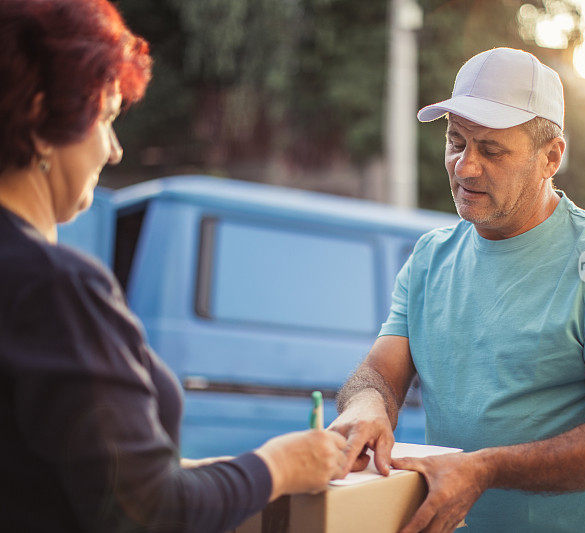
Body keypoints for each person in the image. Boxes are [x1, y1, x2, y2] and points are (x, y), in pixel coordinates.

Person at [0, 1, 348, 531]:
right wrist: (279, 465)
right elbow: (151, 512)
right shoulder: (53, 286)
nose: (114, 151)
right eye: (108, 118)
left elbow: (68, 479)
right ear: (45, 122)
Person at [330, 47, 585, 533]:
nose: (465, 167)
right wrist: (366, 408)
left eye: (492, 150)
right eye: (456, 142)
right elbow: (380, 374)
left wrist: (485, 468)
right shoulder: (430, 259)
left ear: (550, 157)